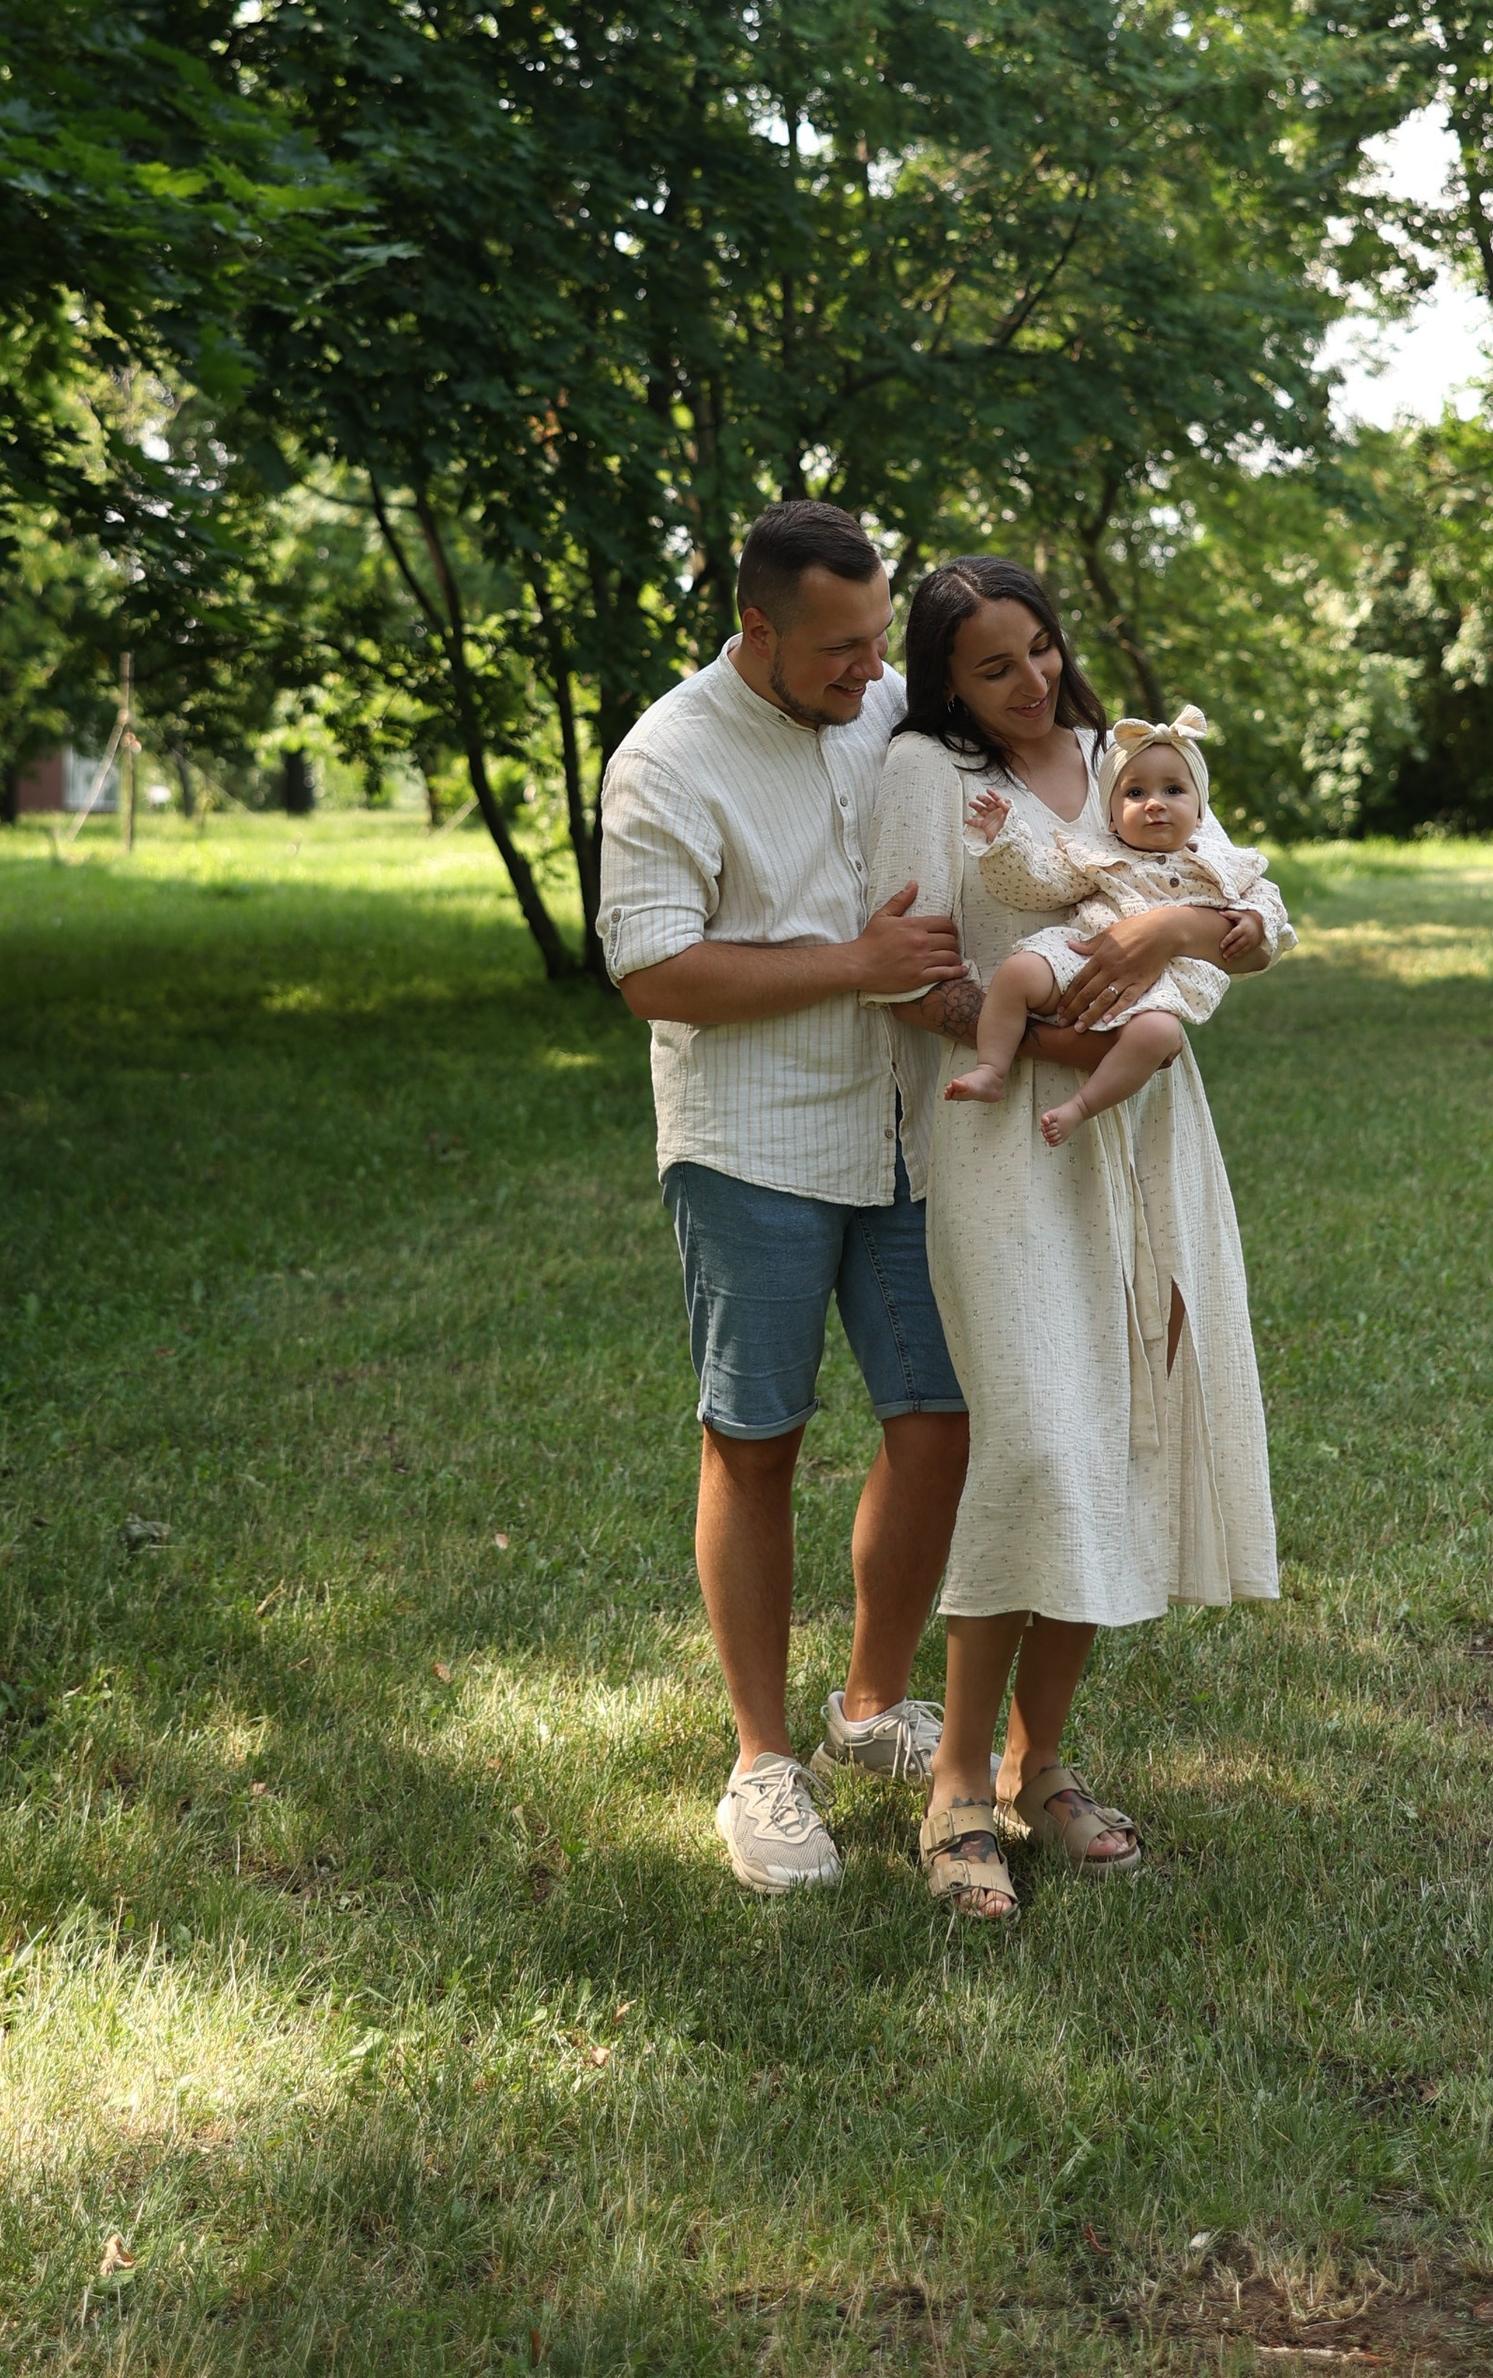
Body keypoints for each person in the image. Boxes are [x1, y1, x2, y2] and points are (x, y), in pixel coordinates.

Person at [863, 561, 1287, 1923]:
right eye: (994, 666)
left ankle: (1041, 1764)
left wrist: (1180, 922)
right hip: (1005, 1143)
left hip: (1150, 1141)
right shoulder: (926, 772)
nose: (1031, 681)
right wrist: (1063, 1044)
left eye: (1040, 649)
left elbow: (1258, 919)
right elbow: (915, 983)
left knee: (1119, 1435)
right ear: (943, 680)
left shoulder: (1124, 756)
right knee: (1040, 1441)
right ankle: (956, 1787)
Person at [597, 503, 1002, 1892]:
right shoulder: (666, 757)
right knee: (754, 1441)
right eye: (839, 648)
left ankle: (870, 1707)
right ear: (755, 628)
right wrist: (854, 963)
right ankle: (763, 1761)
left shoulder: (886, 703)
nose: (871, 669)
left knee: (939, 1422)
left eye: (879, 638)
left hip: (903, 1133)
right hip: (750, 1144)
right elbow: (654, 972)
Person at [953, 708, 1289, 1149]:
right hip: (1085, 955)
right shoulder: (1097, 854)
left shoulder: (1222, 863)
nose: (1155, 803)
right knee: (1018, 972)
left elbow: (1267, 896)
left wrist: (1256, 919)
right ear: (1110, 817)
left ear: (1200, 812)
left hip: (1165, 981)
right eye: (1134, 793)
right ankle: (991, 1069)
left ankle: (1081, 1106)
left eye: (1173, 790)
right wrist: (1005, 840)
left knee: (1159, 1035)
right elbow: (1036, 884)